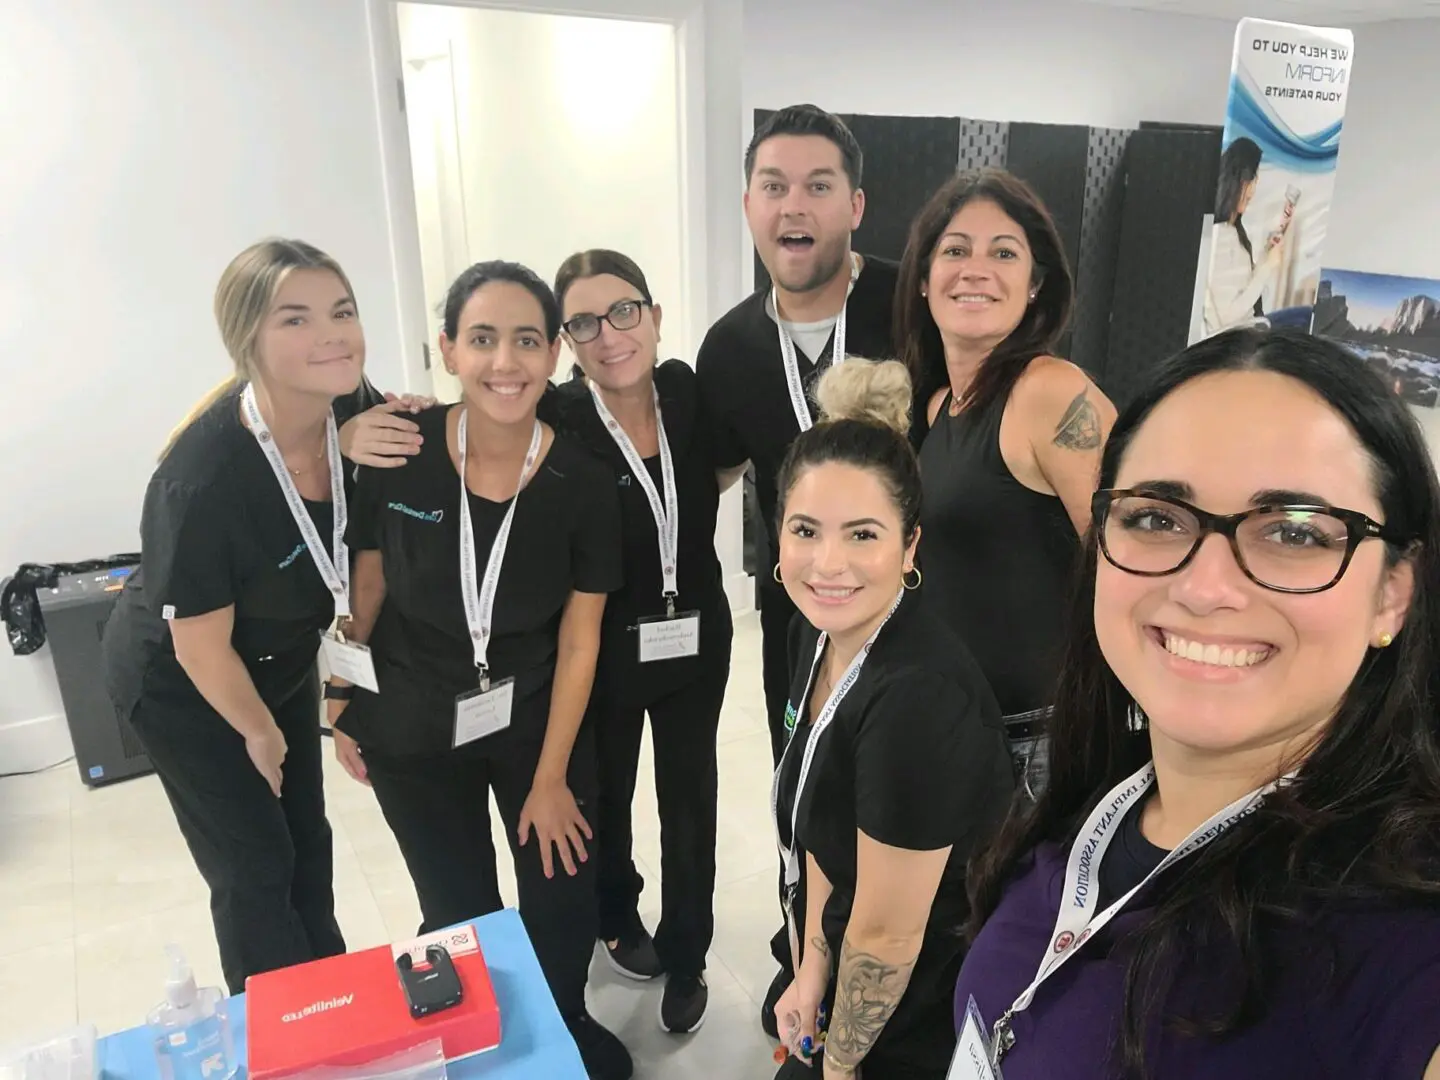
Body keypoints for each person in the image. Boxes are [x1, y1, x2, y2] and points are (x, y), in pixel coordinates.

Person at [952, 327, 1440, 1080]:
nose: (1206, 587)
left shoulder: (1401, 951)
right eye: (1155, 518)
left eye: (1294, 531)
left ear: (1393, 595)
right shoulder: (1086, 810)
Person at [325, 261, 632, 1080]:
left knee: (562, 888)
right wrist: (339, 697)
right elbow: (369, 580)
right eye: (484, 339)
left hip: (535, 717)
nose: (507, 363)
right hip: (412, 719)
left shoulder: (582, 481)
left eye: (527, 340)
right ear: (449, 349)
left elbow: (580, 640)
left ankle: (562, 1020)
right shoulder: (403, 449)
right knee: (455, 909)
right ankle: (486, 1035)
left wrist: (554, 775)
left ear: (553, 352)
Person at [101, 238, 427, 993]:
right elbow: (199, 645)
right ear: (247, 338)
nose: (332, 335)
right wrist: (260, 730)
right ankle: (282, 1029)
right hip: (188, 683)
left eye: (342, 311)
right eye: (297, 320)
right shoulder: (203, 477)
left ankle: (329, 1001)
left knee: (306, 843)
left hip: (276, 659)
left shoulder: (348, 402)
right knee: (253, 864)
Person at [696, 103, 902, 1037]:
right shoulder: (731, 347)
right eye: (774, 186)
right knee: (806, 798)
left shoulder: (914, 306)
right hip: (797, 626)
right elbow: (694, 473)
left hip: (919, 625)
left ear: (855, 204)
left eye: (819, 185)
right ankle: (805, 968)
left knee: (901, 806)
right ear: (748, 206)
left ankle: (899, 995)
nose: (795, 205)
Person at [770, 359, 1015, 1080]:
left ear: (910, 548)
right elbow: (818, 824)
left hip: (923, 1003)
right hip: (848, 949)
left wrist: (840, 1067)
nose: (828, 564)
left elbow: (890, 933)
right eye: (806, 530)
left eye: (863, 535)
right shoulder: (813, 636)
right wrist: (810, 965)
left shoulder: (916, 699)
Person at [544, 249, 733, 1034]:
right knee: (609, 798)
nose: (609, 334)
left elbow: (726, 464)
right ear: (566, 339)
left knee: (690, 802)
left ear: (654, 317)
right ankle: (616, 919)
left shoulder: (687, 391)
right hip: (605, 648)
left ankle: (688, 956)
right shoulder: (558, 417)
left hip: (696, 637)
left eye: (624, 311)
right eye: (582, 322)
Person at [898, 168, 1117, 794]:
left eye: (1004, 252)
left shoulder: (1048, 392)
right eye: (955, 249)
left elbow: (1132, 562)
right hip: (948, 726)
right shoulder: (936, 406)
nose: (976, 268)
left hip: (1033, 745)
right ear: (922, 278)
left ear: (1035, 283)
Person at [1202, 137, 1291, 337]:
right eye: (1252, 180)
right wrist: (1267, 268)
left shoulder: (1234, 232)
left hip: (1249, 331)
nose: (1253, 190)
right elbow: (1228, 318)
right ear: (1236, 180)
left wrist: (1266, 256)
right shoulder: (1219, 236)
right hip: (1237, 339)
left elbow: (1244, 290)